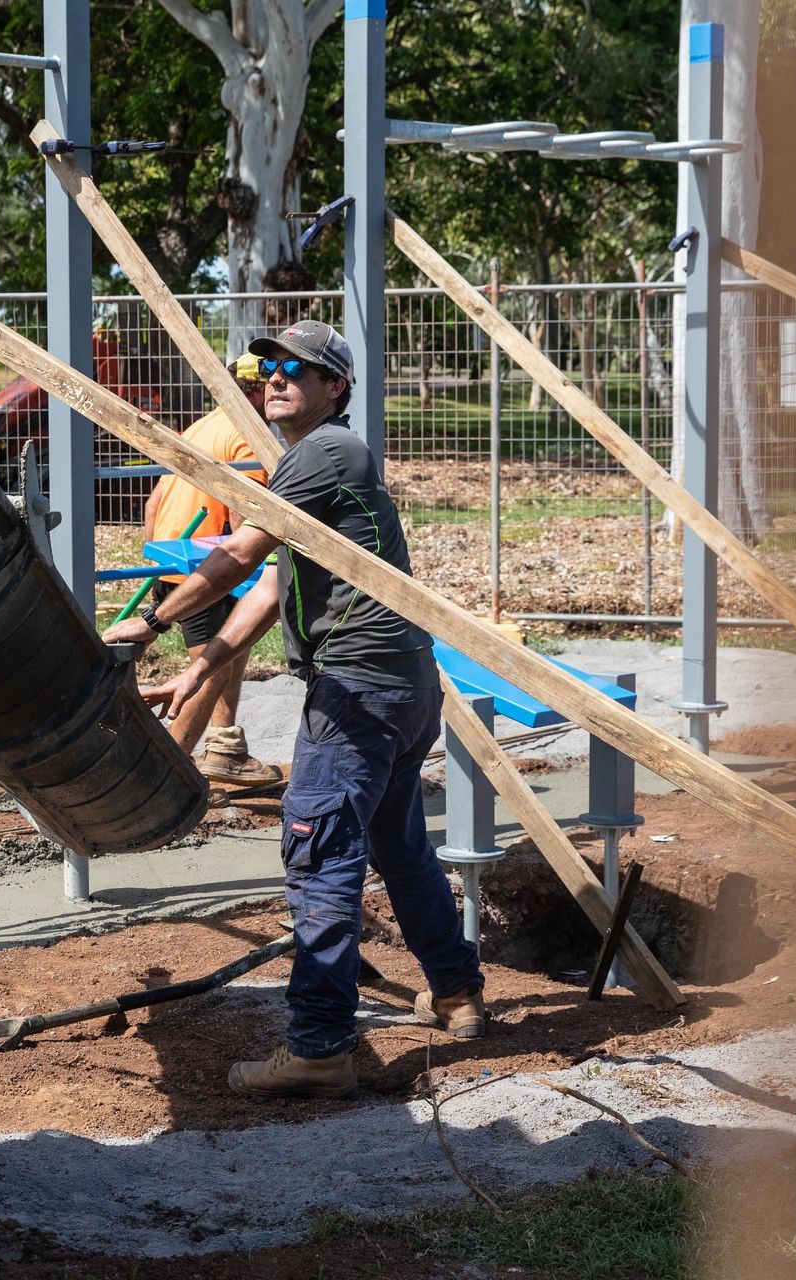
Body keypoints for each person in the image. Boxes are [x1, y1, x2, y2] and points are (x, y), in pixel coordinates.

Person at [104, 319, 486, 1099]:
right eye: (267, 364)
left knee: (319, 856)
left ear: (335, 387)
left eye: (297, 369)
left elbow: (240, 556)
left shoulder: (324, 453)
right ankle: (456, 994)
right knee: (399, 846)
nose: (274, 377)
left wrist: (148, 624)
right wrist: (201, 669)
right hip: (401, 687)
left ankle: (318, 1047)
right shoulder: (315, 465)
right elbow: (276, 585)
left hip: (355, 693)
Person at [138, 353, 279, 785]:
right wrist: (255, 574)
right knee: (205, 675)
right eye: (272, 386)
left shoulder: (201, 427)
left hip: (174, 559)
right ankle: (170, 777)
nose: (277, 395)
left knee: (230, 651)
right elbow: (246, 520)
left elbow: (155, 502)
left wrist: (158, 562)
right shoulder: (246, 437)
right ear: (256, 390)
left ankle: (225, 749)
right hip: (209, 567)